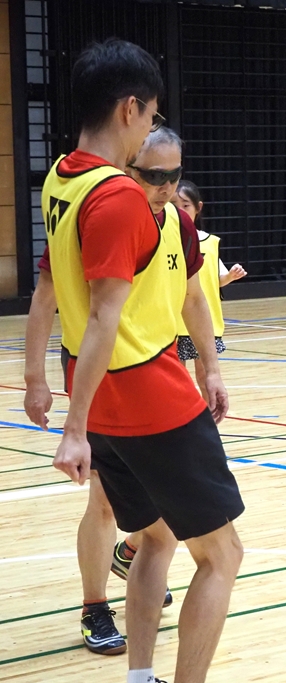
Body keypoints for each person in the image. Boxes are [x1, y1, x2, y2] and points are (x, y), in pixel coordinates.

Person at [41, 39, 265, 683]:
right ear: (129, 108)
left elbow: (94, 301)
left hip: (111, 405)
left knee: (154, 541)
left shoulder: (61, 180)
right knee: (222, 556)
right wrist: (71, 427)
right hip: (146, 398)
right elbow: (106, 314)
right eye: (150, 117)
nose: (150, 130)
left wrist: (210, 366)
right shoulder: (114, 199)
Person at [24, 127, 195, 654]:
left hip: (155, 378)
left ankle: (132, 557)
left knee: (164, 509)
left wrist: (209, 369)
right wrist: (35, 377)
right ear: (127, 167)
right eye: (153, 176)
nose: (165, 188)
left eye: (174, 177)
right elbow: (47, 295)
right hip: (100, 381)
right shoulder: (97, 213)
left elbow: (193, 300)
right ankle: (94, 606)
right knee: (102, 502)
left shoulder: (178, 227)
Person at [171, 179, 247, 393]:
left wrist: (230, 276)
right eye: (174, 206)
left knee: (205, 375)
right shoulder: (165, 239)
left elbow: (218, 278)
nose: (180, 211)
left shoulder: (210, 242)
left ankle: (207, 419)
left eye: (185, 205)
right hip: (175, 321)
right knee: (176, 377)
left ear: (198, 208)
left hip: (205, 321)